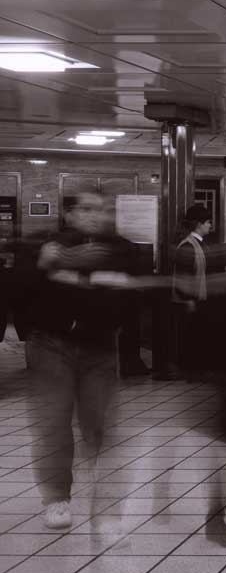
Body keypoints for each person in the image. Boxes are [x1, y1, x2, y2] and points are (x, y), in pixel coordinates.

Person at [27, 189, 135, 532]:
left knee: (98, 424)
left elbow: (127, 295)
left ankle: (102, 493)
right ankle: (57, 498)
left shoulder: (121, 250)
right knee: (54, 423)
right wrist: (44, 267)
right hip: (51, 345)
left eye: (102, 210)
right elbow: (21, 293)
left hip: (99, 347)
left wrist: (74, 277)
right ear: (69, 214)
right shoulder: (44, 247)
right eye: (87, 209)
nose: (95, 216)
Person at [172, 204, 226, 547]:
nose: (213, 224)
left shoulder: (197, 247)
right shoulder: (188, 247)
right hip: (192, 315)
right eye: (209, 220)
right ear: (200, 222)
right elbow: (183, 285)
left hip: (199, 315)